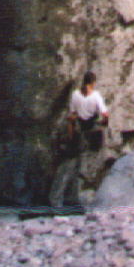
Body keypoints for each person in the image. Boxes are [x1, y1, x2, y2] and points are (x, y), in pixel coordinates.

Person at [49, 71, 109, 209]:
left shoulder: (76, 94)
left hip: (76, 132)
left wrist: (70, 135)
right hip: (85, 134)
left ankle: (68, 200)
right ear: (93, 83)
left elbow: (71, 116)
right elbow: (105, 115)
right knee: (73, 168)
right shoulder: (95, 96)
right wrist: (103, 123)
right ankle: (62, 201)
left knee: (72, 167)